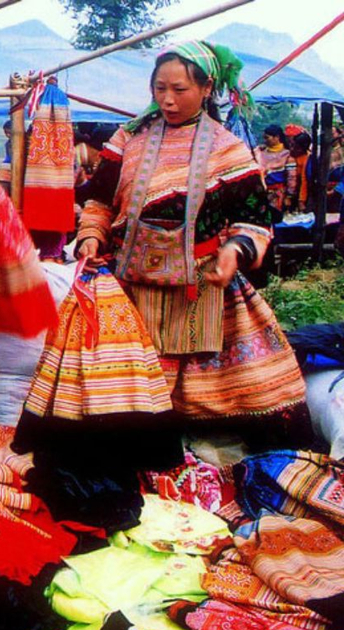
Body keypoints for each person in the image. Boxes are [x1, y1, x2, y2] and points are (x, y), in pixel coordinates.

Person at [75, 41, 306, 442]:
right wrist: (92, 235)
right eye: (159, 88)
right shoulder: (129, 138)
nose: (167, 99)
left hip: (200, 284)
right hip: (129, 282)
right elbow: (99, 201)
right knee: (122, 386)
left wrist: (235, 250)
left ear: (206, 88)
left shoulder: (226, 149)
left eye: (179, 90)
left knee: (222, 395)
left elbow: (254, 220)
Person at [254, 124, 290, 217]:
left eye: (267, 138)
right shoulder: (261, 152)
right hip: (263, 192)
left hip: (279, 193)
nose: (265, 140)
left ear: (276, 137)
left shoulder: (286, 153)